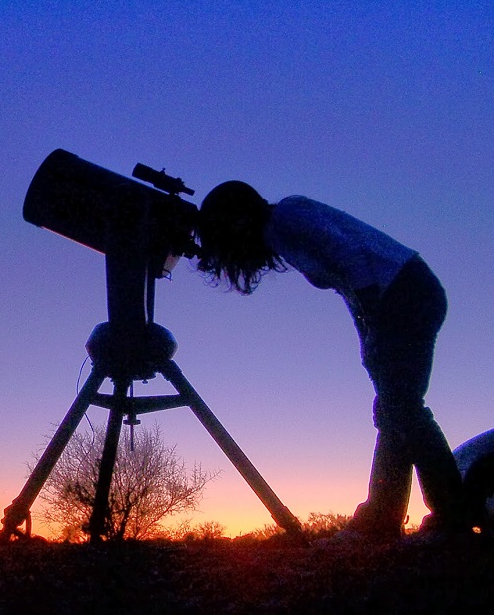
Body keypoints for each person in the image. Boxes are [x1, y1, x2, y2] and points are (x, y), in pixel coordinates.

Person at [196, 180, 467, 544]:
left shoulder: (286, 217)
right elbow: (347, 283)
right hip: (403, 295)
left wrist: (374, 320)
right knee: (394, 410)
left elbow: (350, 256)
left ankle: (449, 517)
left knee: (403, 408)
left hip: (406, 293)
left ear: (236, 219)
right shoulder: (280, 231)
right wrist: (368, 340)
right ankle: (384, 519)